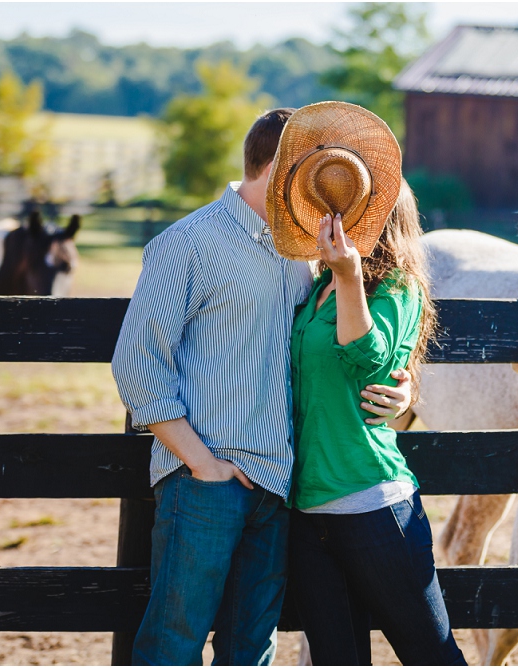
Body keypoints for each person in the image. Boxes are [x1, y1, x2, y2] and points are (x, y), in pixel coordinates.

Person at [111, 108, 413, 666]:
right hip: (204, 480)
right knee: (172, 644)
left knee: (250, 649)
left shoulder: (307, 253)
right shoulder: (189, 243)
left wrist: (402, 387)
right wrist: (202, 463)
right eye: (313, 167)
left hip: (278, 487)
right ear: (281, 167)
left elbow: (336, 345)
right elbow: (136, 365)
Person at [265, 102, 466, 666]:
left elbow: (370, 361)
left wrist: (351, 276)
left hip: (373, 506)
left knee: (432, 656)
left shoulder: (397, 290)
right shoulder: (317, 288)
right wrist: (341, 274)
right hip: (309, 514)